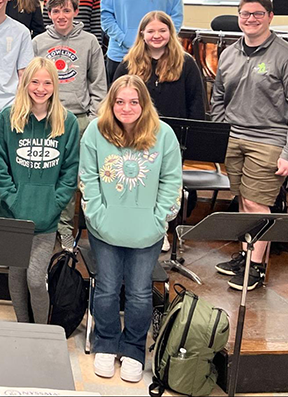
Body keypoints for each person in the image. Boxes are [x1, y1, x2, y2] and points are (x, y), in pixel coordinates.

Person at [79, 75, 182, 383]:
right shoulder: (95, 133)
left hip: (146, 230)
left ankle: (135, 348)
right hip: (105, 227)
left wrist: (159, 219)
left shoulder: (163, 135)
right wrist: (97, 216)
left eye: (133, 102)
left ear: (144, 104)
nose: (126, 108)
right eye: (120, 101)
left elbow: (171, 181)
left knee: (138, 293)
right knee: (108, 289)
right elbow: (88, 179)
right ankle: (107, 342)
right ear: (111, 104)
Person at [211, 0, 288, 291]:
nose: (250, 19)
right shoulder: (230, 52)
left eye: (257, 14)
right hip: (233, 138)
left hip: (268, 141)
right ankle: (247, 256)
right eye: (245, 14)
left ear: (270, 16)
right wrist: (220, 130)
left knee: (257, 203)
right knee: (244, 200)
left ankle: (255, 267)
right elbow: (218, 95)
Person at [0, 57, 79, 325]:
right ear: (24, 83)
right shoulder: (8, 119)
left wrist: (53, 203)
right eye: (35, 81)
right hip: (13, 216)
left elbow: (70, 172)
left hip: (46, 219)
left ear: (55, 85)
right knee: (16, 276)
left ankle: (40, 332)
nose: (40, 88)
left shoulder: (68, 122)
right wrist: (13, 198)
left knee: (34, 277)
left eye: (47, 82)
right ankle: (22, 328)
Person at [32, 0, 107, 248]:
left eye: (66, 10)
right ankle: (41, 224)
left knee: (69, 177)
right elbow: (31, 82)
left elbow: (98, 83)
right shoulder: (39, 43)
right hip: (45, 116)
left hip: (78, 118)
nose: (61, 16)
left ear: (76, 12)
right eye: (55, 11)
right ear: (49, 14)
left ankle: (64, 228)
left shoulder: (89, 42)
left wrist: (95, 118)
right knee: (43, 173)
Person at [114, 11, 205, 120]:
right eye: (151, 31)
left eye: (162, 31)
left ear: (170, 33)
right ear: (142, 33)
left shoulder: (187, 63)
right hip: (137, 130)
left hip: (176, 132)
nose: (156, 35)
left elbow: (197, 103)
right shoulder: (128, 64)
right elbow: (115, 101)